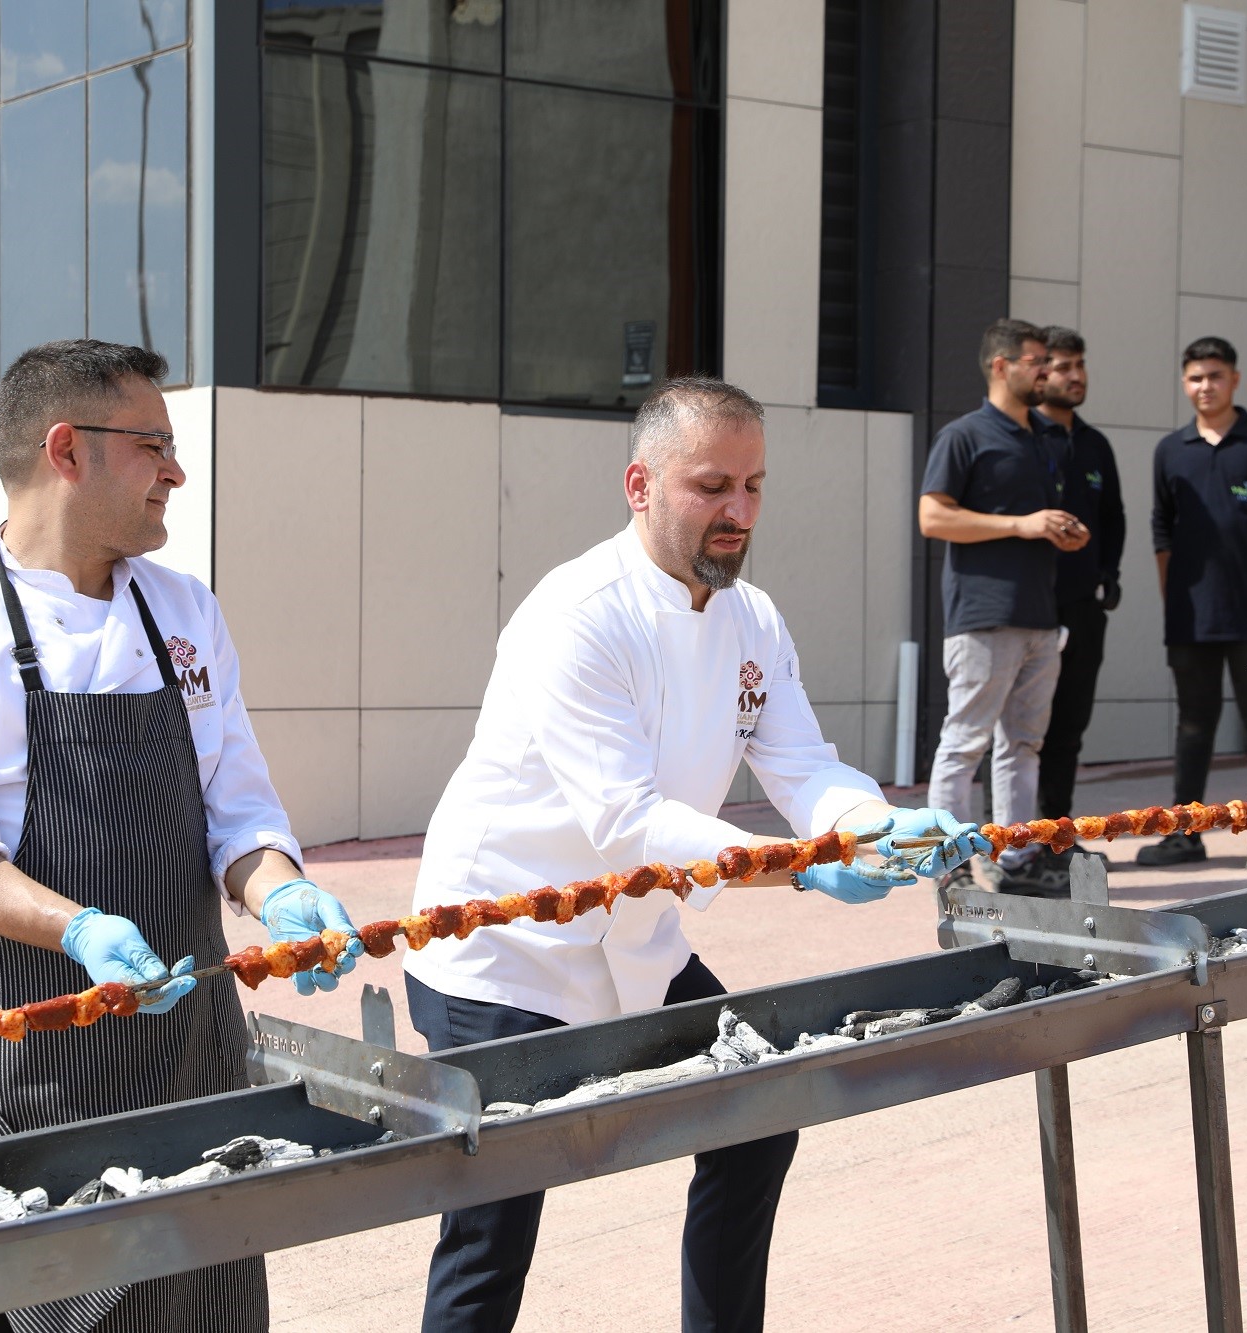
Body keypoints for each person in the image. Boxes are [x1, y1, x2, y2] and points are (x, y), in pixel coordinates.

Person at [402, 377, 987, 1333]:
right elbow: (627, 824)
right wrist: (800, 863)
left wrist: (879, 825)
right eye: (712, 486)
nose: (739, 512)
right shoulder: (576, 615)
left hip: (637, 943)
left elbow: (803, 764)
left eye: (754, 486)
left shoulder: (752, 618)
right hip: (501, 951)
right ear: (640, 484)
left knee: (756, 1117)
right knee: (496, 1218)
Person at [0, 340, 361, 1333]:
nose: (176, 471)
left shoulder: (183, 611)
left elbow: (241, 812)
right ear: (64, 449)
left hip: (182, 1058)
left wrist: (279, 892)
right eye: (152, 446)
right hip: (10, 1061)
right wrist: (82, 928)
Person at [917, 319, 1088, 895]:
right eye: (1037, 361)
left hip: (1042, 616)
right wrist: (1022, 524)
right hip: (984, 616)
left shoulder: (1042, 439)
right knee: (966, 739)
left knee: (1023, 746)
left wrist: (1057, 531)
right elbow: (932, 517)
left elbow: (1029, 523)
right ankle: (948, 863)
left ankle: (1017, 861)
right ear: (1001, 365)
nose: (1048, 371)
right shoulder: (965, 435)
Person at [1140, 336, 1247, 872]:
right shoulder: (1171, 450)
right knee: (1194, 724)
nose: (1205, 386)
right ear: (1184, 382)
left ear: (1234, 379)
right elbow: (1161, 530)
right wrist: (1173, 602)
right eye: (1195, 377)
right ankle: (1185, 834)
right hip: (1192, 616)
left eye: (1215, 376)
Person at [1034, 328, 1125, 859]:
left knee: (1069, 726)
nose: (1075, 376)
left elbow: (1113, 516)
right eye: (1063, 366)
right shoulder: (1023, 438)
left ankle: (1057, 839)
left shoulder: (1094, 444)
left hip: (1083, 607)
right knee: (1023, 732)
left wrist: (1108, 573)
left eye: (1080, 365)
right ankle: (1015, 839)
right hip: (1030, 608)